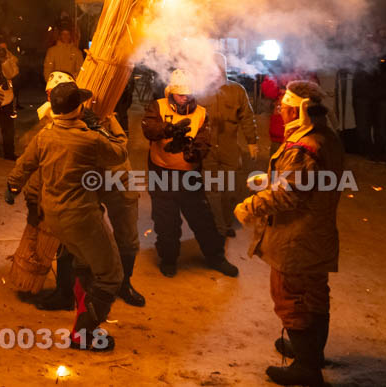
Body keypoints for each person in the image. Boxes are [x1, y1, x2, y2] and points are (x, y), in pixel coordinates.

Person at [234, 80, 344, 387]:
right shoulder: (325, 136)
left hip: (297, 236)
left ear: (302, 111)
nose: (280, 111)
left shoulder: (305, 147)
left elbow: (290, 193)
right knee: (314, 293)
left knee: (291, 297)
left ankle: (306, 368)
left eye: (286, 107)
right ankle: (311, 351)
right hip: (317, 232)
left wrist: (252, 206)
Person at [9, 72, 145, 311]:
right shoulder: (48, 123)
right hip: (83, 189)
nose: (51, 97)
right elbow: (37, 165)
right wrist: (32, 199)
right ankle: (66, 292)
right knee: (70, 241)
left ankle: (123, 285)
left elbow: (119, 152)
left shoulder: (99, 111)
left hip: (116, 178)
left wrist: (103, 125)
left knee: (127, 237)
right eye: (50, 93)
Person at [142, 69, 238, 278]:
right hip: (162, 174)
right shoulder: (158, 106)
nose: (185, 98)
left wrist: (195, 152)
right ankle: (168, 259)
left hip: (189, 176)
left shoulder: (201, 113)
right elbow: (149, 128)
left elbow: (205, 139)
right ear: (171, 92)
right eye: (180, 94)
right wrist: (168, 130)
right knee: (166, 222)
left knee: (202, 219)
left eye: (188, 94)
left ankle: (216, 257)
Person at [201, 53, 260, 238]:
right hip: (207, 149)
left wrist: (252, 141)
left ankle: (226, 223)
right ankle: (216, 226)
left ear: (223, 69)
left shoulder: (237, 91)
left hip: (229, 148)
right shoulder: (201, 91)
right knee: (211, 190)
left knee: (229, 190)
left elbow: (247, 117)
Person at [352, 31, 386, 163]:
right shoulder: (359, 58)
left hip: (381, 97)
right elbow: (356, 75)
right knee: (363, 127)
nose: (373, 47)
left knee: (380, 127)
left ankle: (380, 152)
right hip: (363, 96)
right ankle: (368, 151)